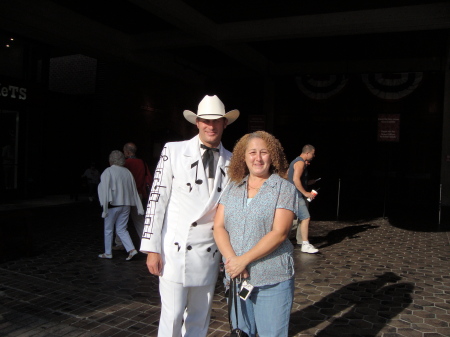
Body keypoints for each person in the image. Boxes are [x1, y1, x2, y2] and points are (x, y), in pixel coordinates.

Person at [140, 95, 240, 337]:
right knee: (172, 316)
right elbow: (156, 200)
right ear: (197, 122)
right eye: (206, 120)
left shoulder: (234, 161)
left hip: (209, 254)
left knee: (200, 316)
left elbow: (233, 212)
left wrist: (230, 255)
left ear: (225, 124)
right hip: (174, 252)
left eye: (217, 121)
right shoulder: (173, 150)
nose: (211, 126)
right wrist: (152, 249)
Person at [213, 130, 297, 337]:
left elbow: (279, 233)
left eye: (264, 152)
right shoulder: (233, 186)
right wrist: (233, 261)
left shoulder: (283, 189)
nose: (257, 158)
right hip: (236, 278)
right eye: (252, 152)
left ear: (273, 156)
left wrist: (244, 260)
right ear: (243, 156)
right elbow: (219, 227)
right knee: (242, 333)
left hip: (272, 278)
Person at [97, 150, 144, 260]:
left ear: (111, 160)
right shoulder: (127, 172)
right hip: (126, 204)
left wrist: (104, 206)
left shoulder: (108, 171)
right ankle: (131, 250)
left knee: (109, 229)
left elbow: (103, 189)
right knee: (122, 229)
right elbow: (133, 189)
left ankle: (108, 253)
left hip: (113, 205)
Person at [113, 142, 151, 251]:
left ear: (127, 152)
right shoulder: (142, 163)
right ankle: (146, 242)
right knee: (139, 219)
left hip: (126, 194)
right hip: (138, 194)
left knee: (121, 219)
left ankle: (119, 242)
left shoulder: (125, 164)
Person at [287, 144, 319, 253]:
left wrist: (308, 182)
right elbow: (296, 179)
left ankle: (299, 242)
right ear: (307, 153)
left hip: (294, 194)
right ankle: (305, 244)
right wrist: (305, 193)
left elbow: (289, 175)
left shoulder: (298, 162)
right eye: (312, 154)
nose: (313, 156)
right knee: (305, 218)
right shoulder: (300, 163)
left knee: (293, 220)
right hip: (296, 195)